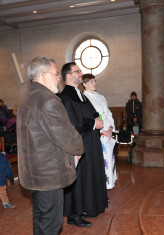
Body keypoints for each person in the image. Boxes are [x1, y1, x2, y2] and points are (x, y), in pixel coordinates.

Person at [17, 56, 84, 234]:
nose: (58, 79)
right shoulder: (47, 101)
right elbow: (67, 136)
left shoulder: (28, 98)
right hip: (49, 176)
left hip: (34, 174)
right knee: (50, 226)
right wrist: (79, 149)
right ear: (44, 75)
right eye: (56, 74)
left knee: (41, 221)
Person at [59, 62, 108, 227]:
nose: (81, 73)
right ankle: (74, 214)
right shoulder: (65, 97)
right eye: (77, 71)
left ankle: (89, 206)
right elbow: (72, 121)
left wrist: (98, 120)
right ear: (68, 76)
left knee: (89, 175)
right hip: (79, 143)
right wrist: (94, 124)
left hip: (91, 141)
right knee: (79, 178)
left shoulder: (81, 94)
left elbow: (93, 112)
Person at [82, 74, 117, 190]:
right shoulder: (84, 98)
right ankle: (101, 188)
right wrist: (103, 130)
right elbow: (89, 118)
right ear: (84, 84)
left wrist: (111, 128)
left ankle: (109, 184)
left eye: (94, 81)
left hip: (108, 133)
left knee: (108, 160)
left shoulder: (101, 96)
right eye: (91, 81)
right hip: (98, 134)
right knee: (100, 162)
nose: (94, 83)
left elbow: (108, 113)